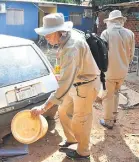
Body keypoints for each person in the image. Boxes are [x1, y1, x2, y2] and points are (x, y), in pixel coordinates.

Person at [31, 13, 100, 160]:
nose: (46, 38)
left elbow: (64, 84)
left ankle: (83, 152)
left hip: (85, 85)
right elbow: (65, 73)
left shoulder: (72, 46)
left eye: (48, 34)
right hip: (74, 82)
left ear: (59, 31)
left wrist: (44, 107)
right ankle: (72, 139)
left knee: (80, 120)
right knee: (62, 111)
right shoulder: (65, 38)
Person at [99, 10, 135, 129]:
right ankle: (113, 118)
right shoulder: (130, 33)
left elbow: (101, 54)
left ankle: (108, 121)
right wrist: (124, 64)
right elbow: (131, 54)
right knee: (116, 94)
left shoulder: (106, 33)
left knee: (108, 96)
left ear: (110, 21)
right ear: (120, 21)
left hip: (109, 71)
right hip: (123, 70)